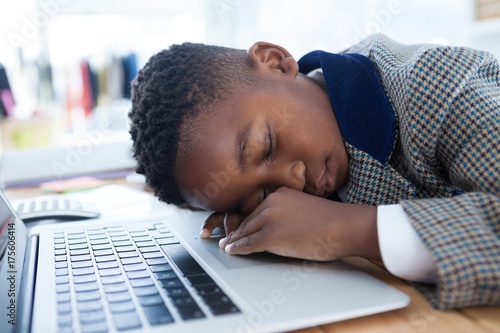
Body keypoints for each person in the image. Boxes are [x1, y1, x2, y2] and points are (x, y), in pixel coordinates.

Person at [128, 33, 500, 310]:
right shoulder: (316, 123)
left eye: (267, 146)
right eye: (259, 197)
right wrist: (251, 218)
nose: (290, 183)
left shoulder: (438, 86)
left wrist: (345, 229)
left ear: (275, 61)